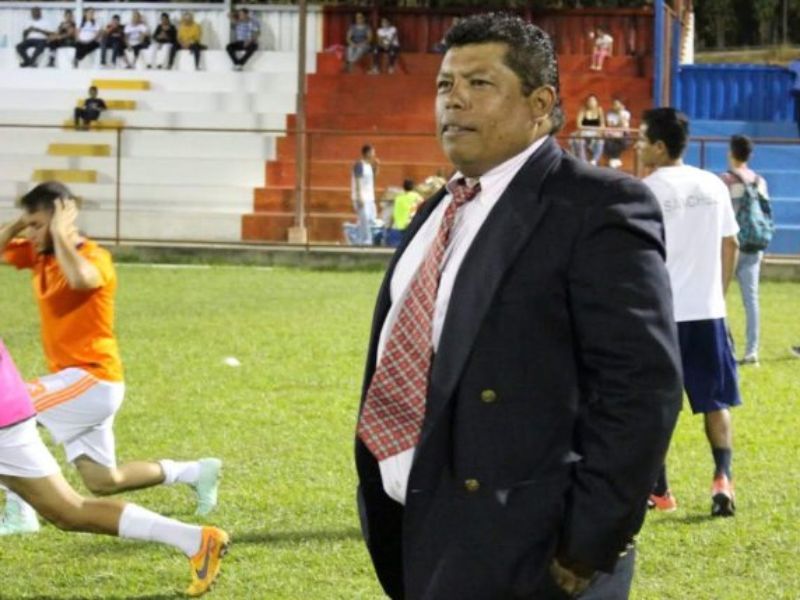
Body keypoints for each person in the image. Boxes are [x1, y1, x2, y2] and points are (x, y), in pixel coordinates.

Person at [355, 13, 682, 600]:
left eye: (479, 83)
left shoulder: (596, 206)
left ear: (540, 104)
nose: (454, 100)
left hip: (532, 552)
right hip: (422, 533)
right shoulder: (438, 209)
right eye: (445, 84)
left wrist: (587, 545)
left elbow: (642, 389)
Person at [0, 181, 223, 536]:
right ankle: (195, 471)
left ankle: (20, 514)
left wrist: (60, 233)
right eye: (31, 226)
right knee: (103, 480)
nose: (32, 234)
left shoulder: (93, 257)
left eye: (38, 225)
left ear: (62, 221)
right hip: (81, 385)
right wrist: (18, 225)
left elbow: (81, 279)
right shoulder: (40, 254)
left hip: (92, 379)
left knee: (12, 411)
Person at [0, 340, 228, 597]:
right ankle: (195, 539)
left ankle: (195, 538)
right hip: (9, 407)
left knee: (69, 509)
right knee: (72, 507)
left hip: (5, 415)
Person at [639, 108, 741, 518]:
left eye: (642, 139)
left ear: (660, 147)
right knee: (716, 401)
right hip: (708, 312)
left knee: (656, 404)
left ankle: (660, 490)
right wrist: (717, 295)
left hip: (661, 317)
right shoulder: (713, 184)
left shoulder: (645, 191)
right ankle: (723, 479)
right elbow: (731, 244)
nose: (637, 146)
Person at [720, 135, 771, 366]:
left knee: (719, 296)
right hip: (754, 244)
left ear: (731, 153)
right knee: (751, 299)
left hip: (730, 245)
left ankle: (726, 348)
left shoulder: (726, 180)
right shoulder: (760, 181)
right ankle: (752, 352)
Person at [351, 144, 380, 246]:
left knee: (371, 219)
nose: (374, 154)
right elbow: (358, 181)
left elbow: (373, 177)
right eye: (372, 152)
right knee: (365, 220)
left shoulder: (369, 166)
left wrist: (377, 166)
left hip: (370, 198)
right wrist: (359, 196)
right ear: (367, 153)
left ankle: (357, 238)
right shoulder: (359, 165)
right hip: (361, 197)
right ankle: (366, 241)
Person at [385, 179, 423, 247]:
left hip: (397, 227)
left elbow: (393, 214)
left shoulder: (398, 197)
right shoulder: (417, 197)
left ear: (403, 187)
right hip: (410, 226)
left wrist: (389, 227)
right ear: (413, 187)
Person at [570, 94, 605, 165]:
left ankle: (594, 160)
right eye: (590, 100)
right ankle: (583, 161)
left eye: (593, 100)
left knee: (601, 140)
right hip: (584, 131)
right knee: (579, 140)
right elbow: (578, 124)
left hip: (595, 132)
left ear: (596, 102)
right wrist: (586, 129)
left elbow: (602, 124)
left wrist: (599, 131)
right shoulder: (583, 110)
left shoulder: (599, 110)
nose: (591, 102)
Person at [604, 98, 631, 169]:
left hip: (623, 132)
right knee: (609, 141)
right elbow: (610, 124)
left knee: (622, 141)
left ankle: (613, 159)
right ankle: (615, 159)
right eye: (614, 104)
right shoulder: (610, 114)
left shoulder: (626, 113)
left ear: (621, 105)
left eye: (617, 104)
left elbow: (622, 123)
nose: (615, 106)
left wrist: (620, 113)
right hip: (612, 132)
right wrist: (617, 124)